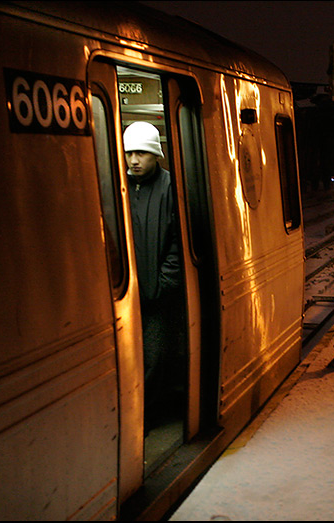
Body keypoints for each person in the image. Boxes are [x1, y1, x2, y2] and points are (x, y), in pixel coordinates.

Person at [123, 121, 183, 431]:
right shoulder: (117, 183)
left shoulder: (170, 186)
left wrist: (165, 281)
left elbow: (178, 239)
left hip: (157, 293)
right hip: (125, 291)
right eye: (129, 153)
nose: (134, 160)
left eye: (141, 153)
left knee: (154, 357)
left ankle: (144, 417)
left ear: (155, 155)